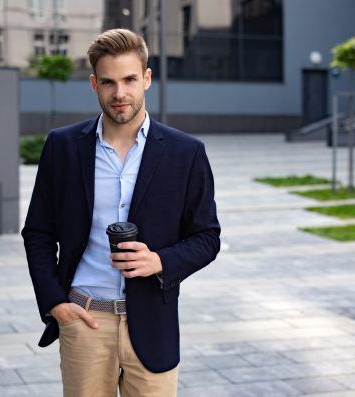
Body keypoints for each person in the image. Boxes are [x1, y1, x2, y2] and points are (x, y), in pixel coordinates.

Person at [22, 28, 220, 397]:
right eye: (109, 82)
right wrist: (55, 304)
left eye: (129, 79)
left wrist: (159, 260)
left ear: (146, 78)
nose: (120, 94)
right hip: (84, 320)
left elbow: (207, 238)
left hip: (153, 323)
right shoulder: (62, 146)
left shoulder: (186, 152)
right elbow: (38, 232)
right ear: (95, 84)